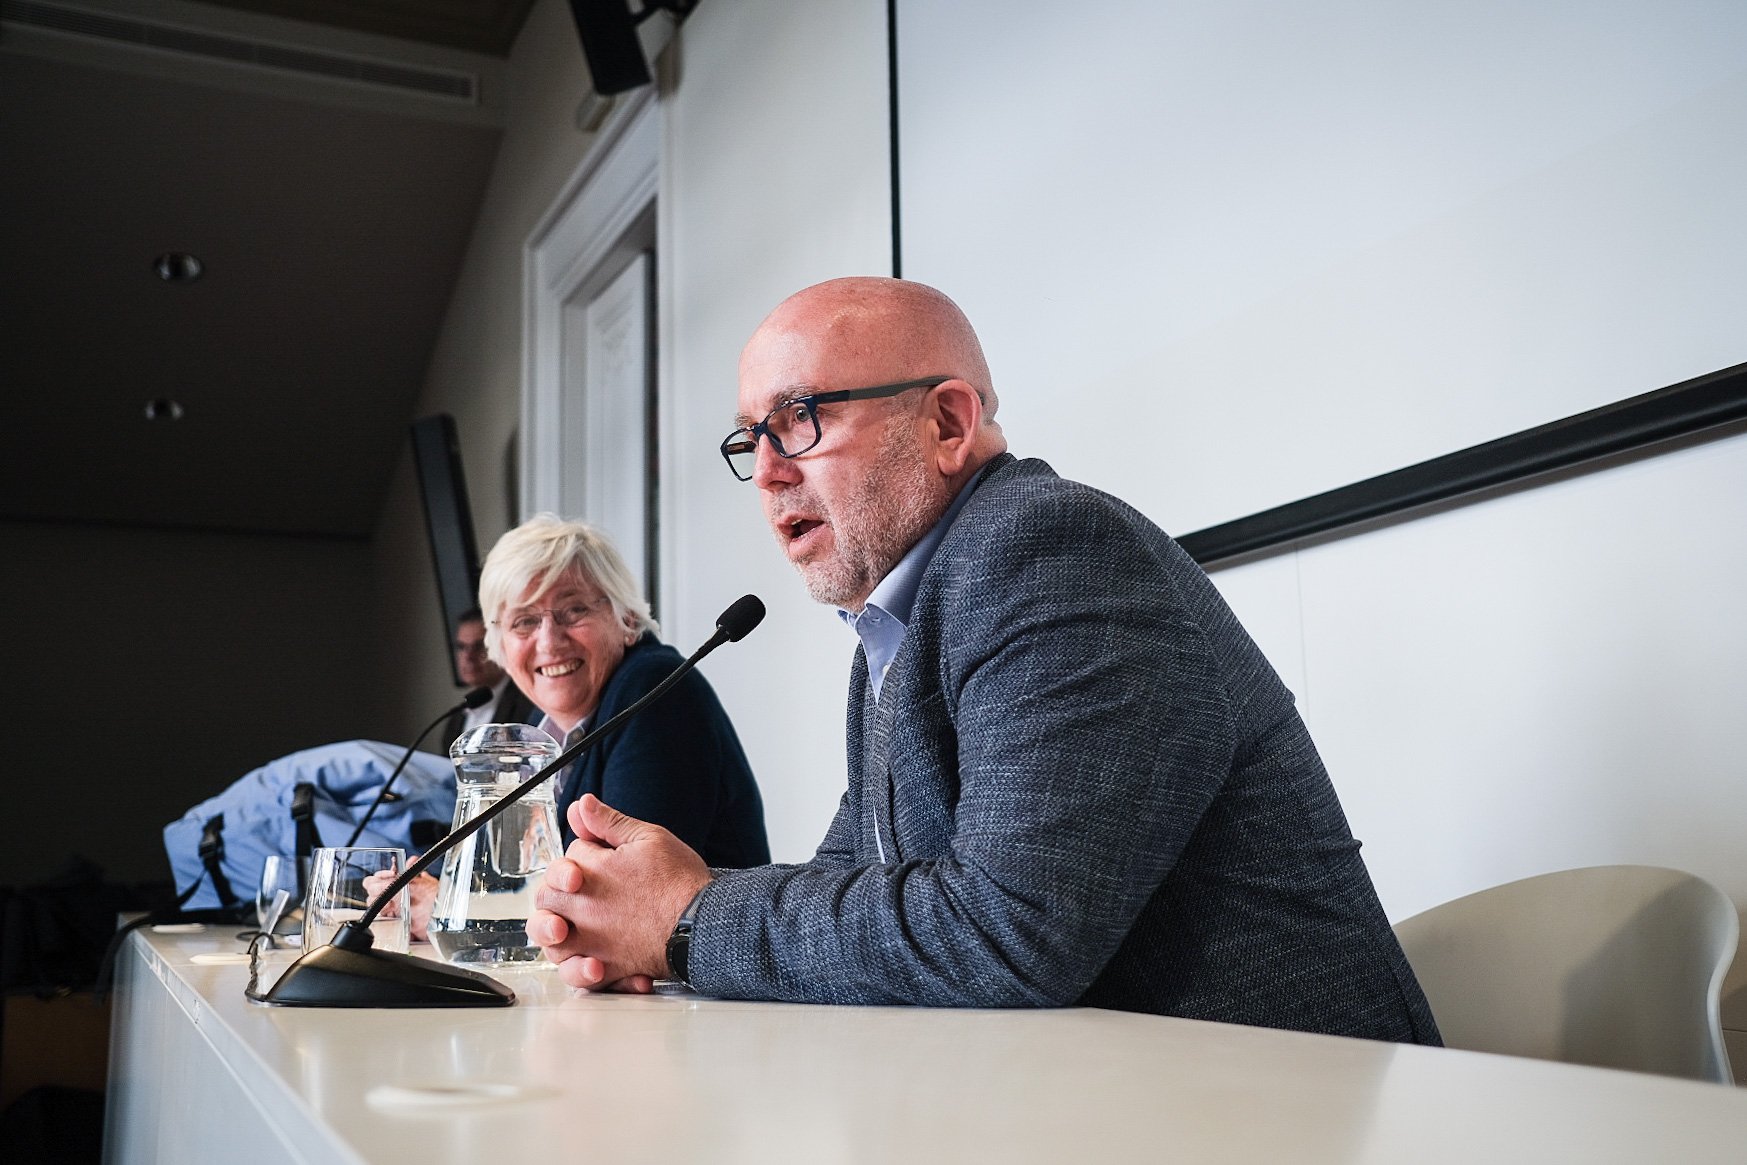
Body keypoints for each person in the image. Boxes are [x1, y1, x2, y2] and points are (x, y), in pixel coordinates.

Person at [526, 277, 1440, 1045]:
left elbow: (1012, 929)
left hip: (1288, 1110)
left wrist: (685, 920)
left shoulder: (1051, 549)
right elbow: (856, 885)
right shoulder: (899, 618)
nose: (765, 470)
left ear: (948, 423)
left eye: (797, 418)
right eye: (749, 437)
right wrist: (642, 912)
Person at [393, 515, 770, 938]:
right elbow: (514, 878)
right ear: (498, 644)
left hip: (701, 989)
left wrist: (450, 912)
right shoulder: (545, 729)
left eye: (574, 610)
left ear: (626, 619)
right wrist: (422, 892)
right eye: (524, 621)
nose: (550, 641)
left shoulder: (654, 687)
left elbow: (618, 902)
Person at [443, 607, 535, 746]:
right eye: (462, 647)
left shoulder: (528, 704)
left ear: (503, 648)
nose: (468, 656)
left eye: (479, 646)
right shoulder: (455, 719)